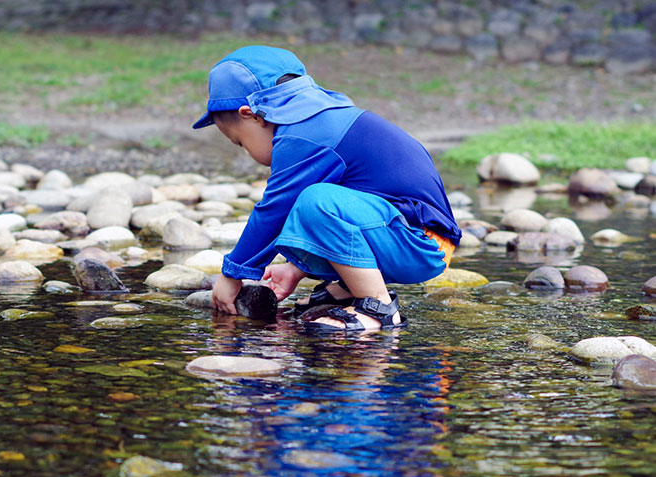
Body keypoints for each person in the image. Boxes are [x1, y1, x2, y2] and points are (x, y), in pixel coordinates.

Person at [193, 46, 461, 333]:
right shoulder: (322, 119)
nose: (247, 152)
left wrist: (233, 274)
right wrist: (295, 268)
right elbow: (344, 219)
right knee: (314, 204)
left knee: (314, 201)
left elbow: (273, 212)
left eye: (240, 143)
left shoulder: (303, 135)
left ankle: (379, 307)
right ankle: (346, 289)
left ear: (254, 116)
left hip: (423, 243)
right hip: (405, 232)